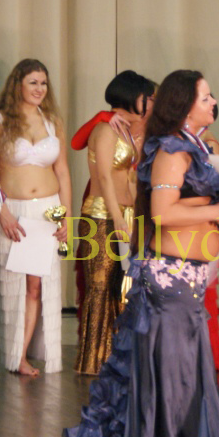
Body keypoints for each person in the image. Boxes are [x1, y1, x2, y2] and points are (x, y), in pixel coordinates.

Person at [27, 70, 219, 437]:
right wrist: (218, 211)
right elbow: (162, 213)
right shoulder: (171, 150)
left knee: (186, 366)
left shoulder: (196, 145)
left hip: (190, 276)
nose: (213, 102)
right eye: (205, 97)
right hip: (169, 277)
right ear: (184, 105)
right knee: (171, 368)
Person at [0, 59, 73, 376]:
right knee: (14, 287)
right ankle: (15, 356)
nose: (39, 89)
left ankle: (26, 355)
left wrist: (66, 216)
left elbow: (62, 171)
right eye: (33, 82)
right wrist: (2, 211)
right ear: (18, 85)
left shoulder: (52, 121)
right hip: (14, 211)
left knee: (38, 287)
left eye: (43, 83)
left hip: (48, 210)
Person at [74, 70, 155, 375]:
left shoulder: (123, 129)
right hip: (101, 216)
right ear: (132, 96)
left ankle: (119, 356)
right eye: (146, 97)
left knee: (124, 288)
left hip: (127, 214)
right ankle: (93, 361)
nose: (150, 102)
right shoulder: (105, 129)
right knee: (99, 287)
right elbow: (105, 177)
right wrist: (117, 215)